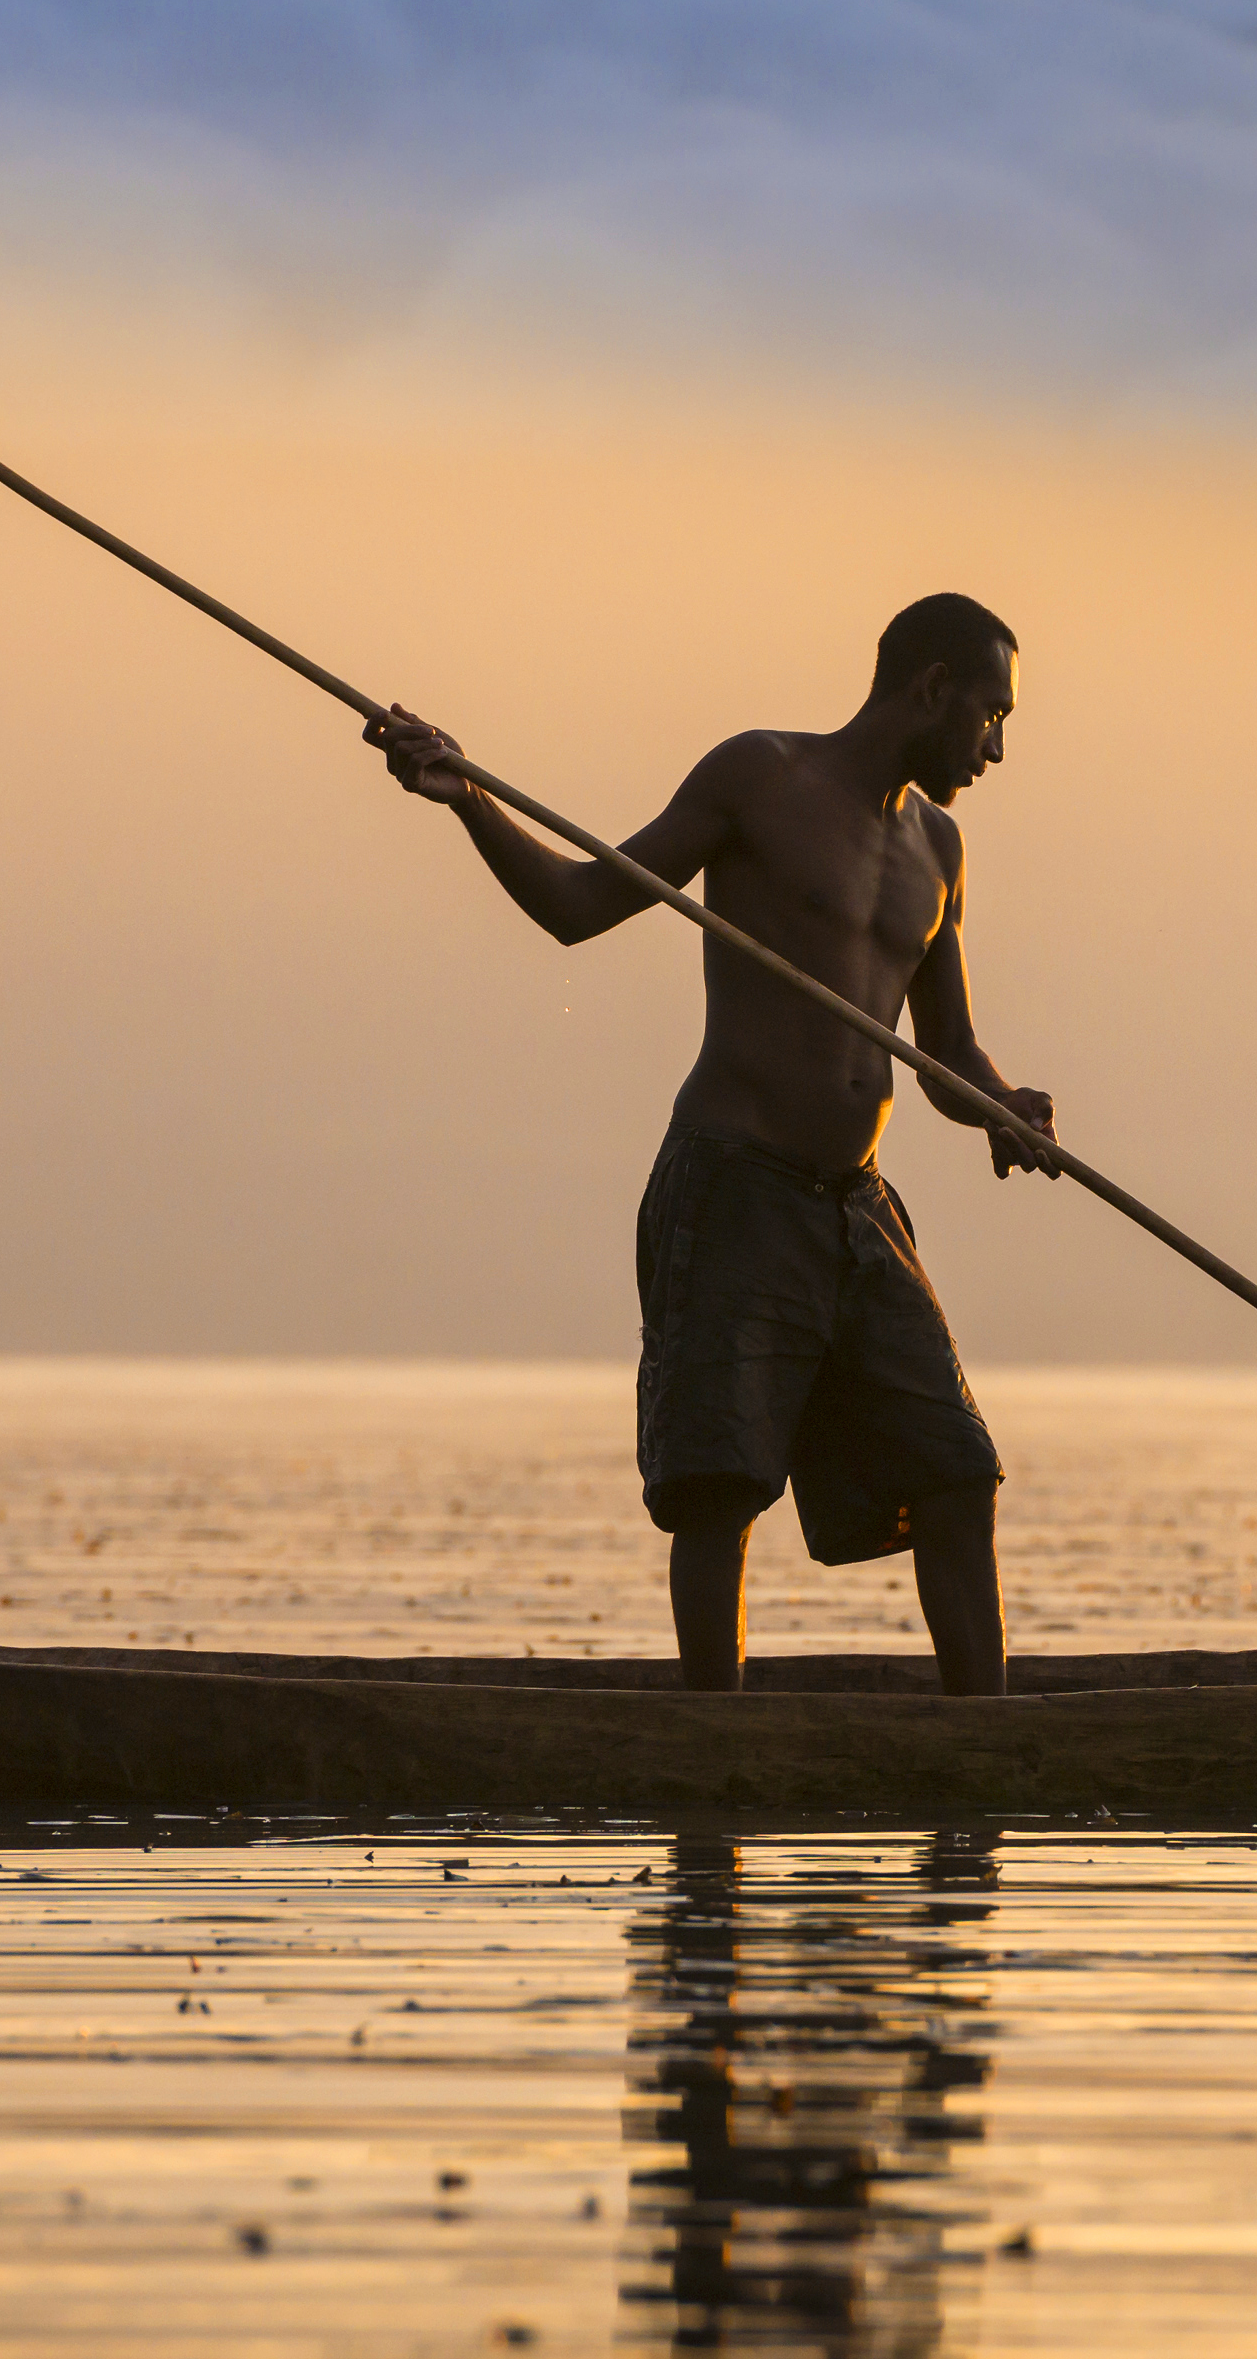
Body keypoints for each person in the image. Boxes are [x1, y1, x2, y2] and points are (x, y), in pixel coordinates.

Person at [367, 594, 1056, 1697]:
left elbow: (950, 1057)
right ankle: (713, 1761)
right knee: (719, 1482)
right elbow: (578, 904)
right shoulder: (760, 778)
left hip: (855, 1204)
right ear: (931, 689)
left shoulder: (940, 847)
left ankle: (990, 1757)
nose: (997, 746)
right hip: (734, 1183)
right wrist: (471, 800)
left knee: (955, 1473)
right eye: (989, 714)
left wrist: (1009, 1108)